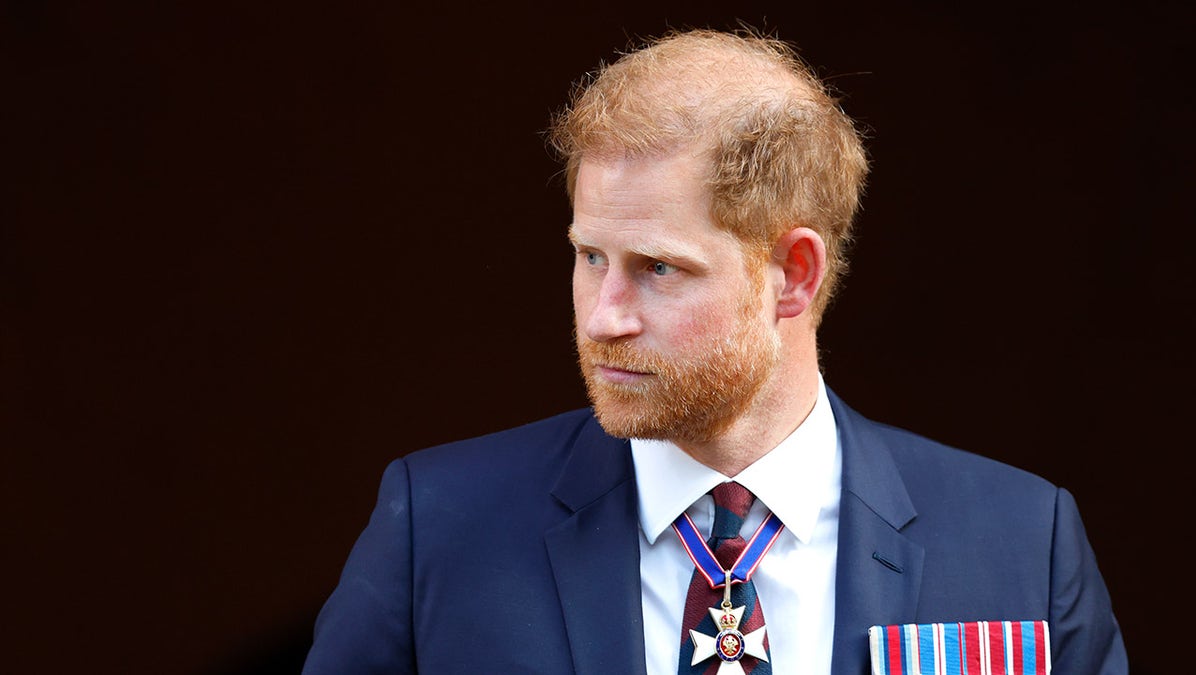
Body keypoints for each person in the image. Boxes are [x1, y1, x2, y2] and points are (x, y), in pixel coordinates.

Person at [302, 29, 1126, 674]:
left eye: (658, 267)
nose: (603, 316)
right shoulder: (441, 527)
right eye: (590, 256)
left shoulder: (1020, 541)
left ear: (791, 275)